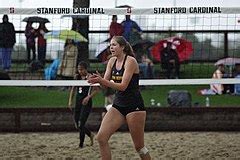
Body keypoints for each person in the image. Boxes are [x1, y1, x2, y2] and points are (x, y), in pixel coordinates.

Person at [88, 36, 151, 160]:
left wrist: (102, 81)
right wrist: (96, 80)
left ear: (122, 47)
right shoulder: (111, 61)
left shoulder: (130, 61)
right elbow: (105, 85)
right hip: (119, 105)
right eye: (110, 45)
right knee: (101, 138)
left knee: (139, 146)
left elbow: (122, 86)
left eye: (114, 45)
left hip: (134, 106)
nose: (111, 47)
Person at [68, 61, 99, 148]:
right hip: (78, 102)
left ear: (86, 69)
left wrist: (88, 97)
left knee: (81, 123)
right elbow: (73, 89)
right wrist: (70, 101)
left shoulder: (90, 77)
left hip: (86, 103)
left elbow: (96, 90)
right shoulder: (77, 77)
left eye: (81, 69)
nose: (80, 71)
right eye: (79, 69)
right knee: (77, 124)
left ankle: (81, 144)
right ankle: (90, 134)